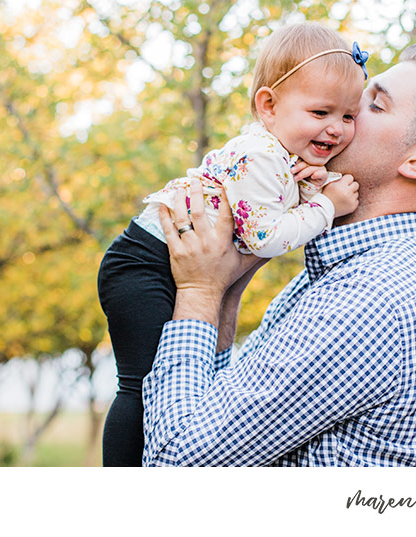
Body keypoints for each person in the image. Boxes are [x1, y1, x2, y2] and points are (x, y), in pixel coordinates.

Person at [140, 43, 416, 466]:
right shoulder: (352, 270)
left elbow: (175, 464)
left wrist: (199, 292)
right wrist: (227, 288)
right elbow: (218, 406)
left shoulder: (368, 303)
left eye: (373, 105)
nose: (344, 108)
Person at [96, 23, 364, 466]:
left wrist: (314, 189)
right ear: (269, 106)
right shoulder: (259, 156)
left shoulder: (283, 156)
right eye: (321, 114)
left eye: (348, 117)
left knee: (181, 378)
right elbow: (267, 237)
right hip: (144, 262)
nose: (336, 130)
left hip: (172, 258)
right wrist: (327, 207)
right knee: (145, 384)